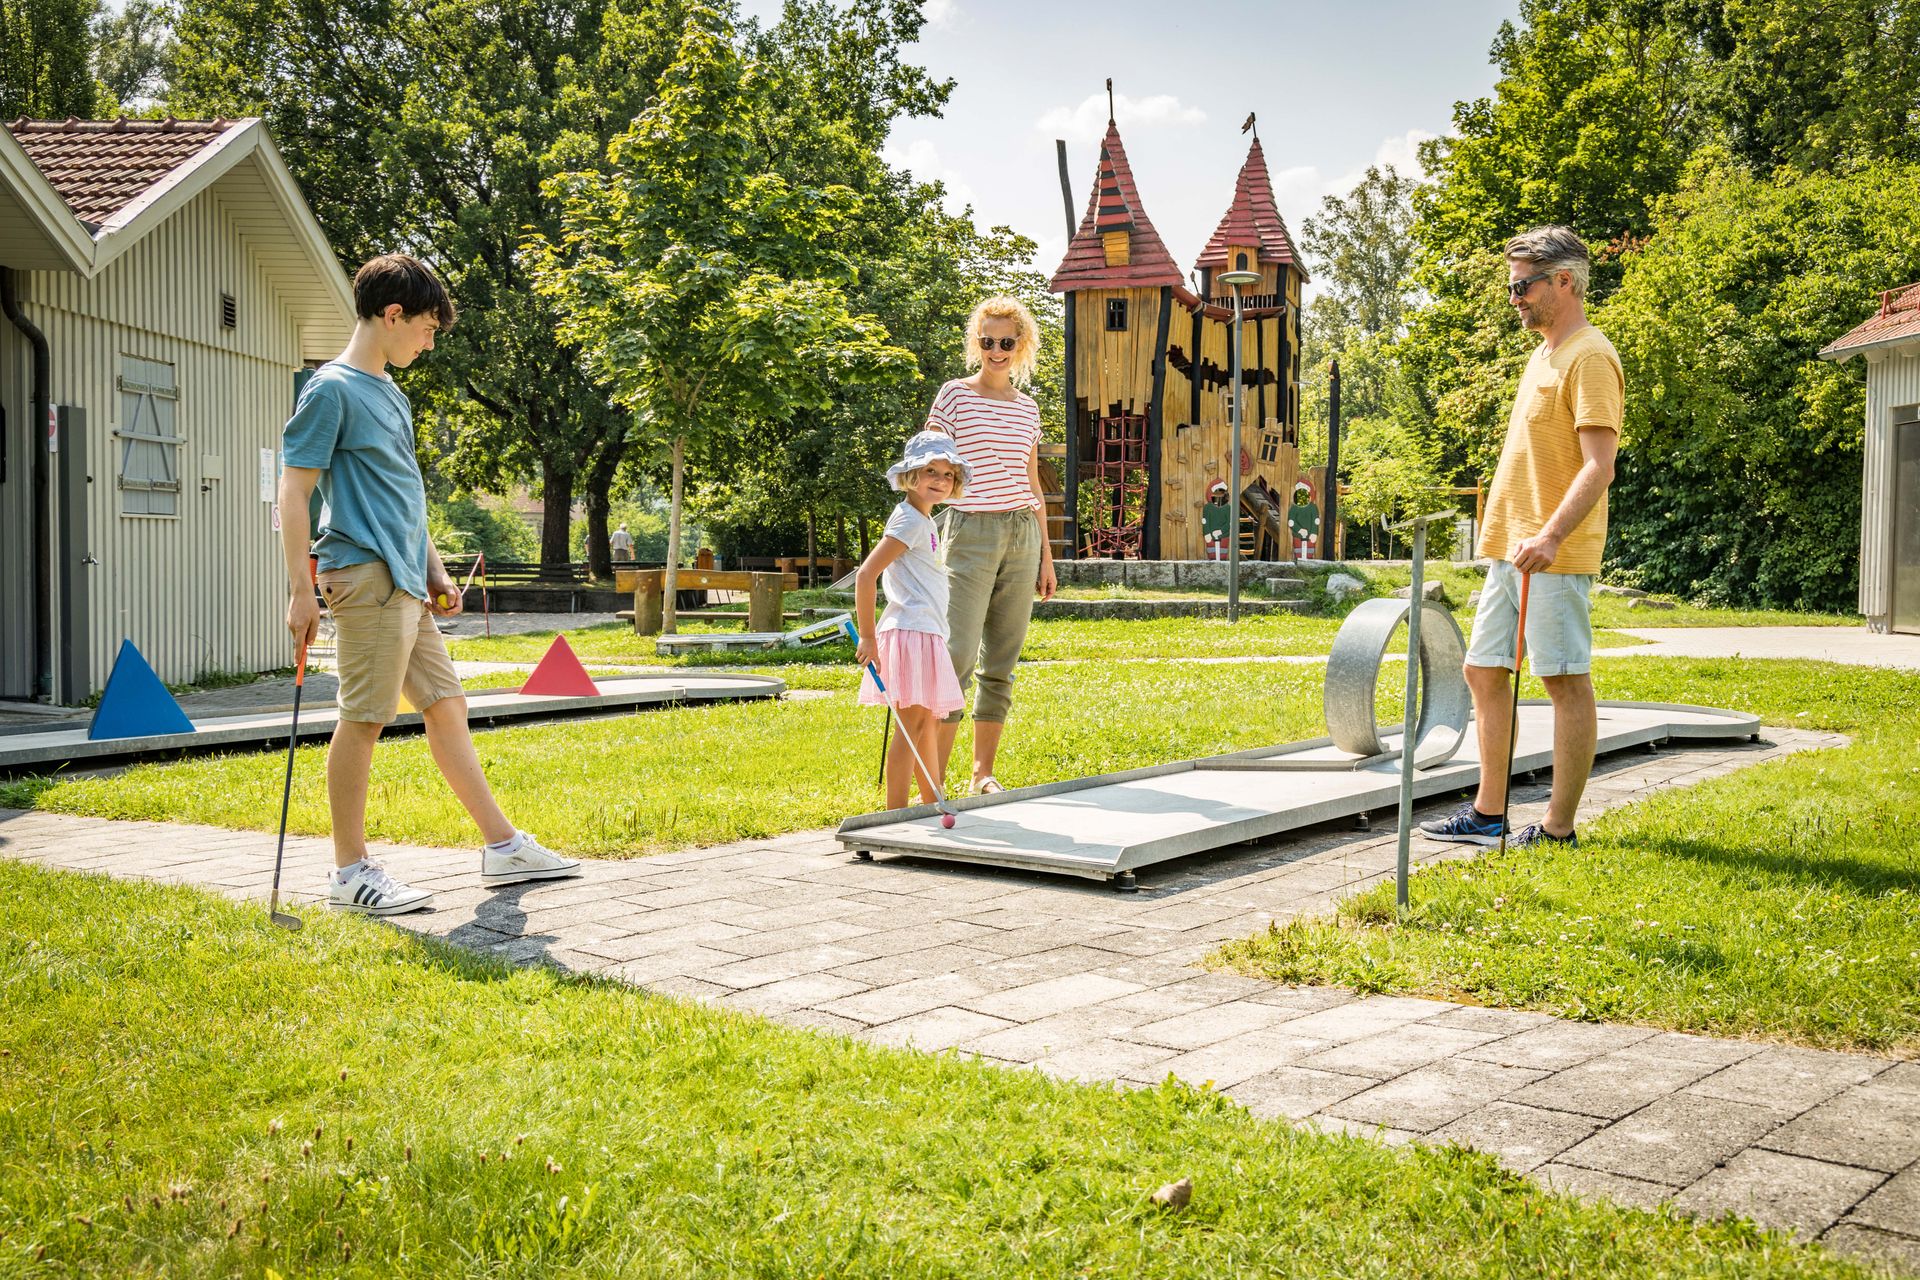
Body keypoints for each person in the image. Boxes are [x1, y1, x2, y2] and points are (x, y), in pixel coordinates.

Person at [279, 253, 580, 915]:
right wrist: (300, 590)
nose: (430, 339)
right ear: (392, 315)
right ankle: (349, 872)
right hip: (365, 575)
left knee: (446, 705)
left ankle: (503, 847)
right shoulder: (331, 391)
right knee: (363, 719)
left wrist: (435, 569)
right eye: (426, 327)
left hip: (405, 581)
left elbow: (402, 499)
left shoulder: (389, 392)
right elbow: (294, 492)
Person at [1422, 226, 1623, 850]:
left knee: (1563, 681)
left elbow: (1600, 464)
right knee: (1483, 671)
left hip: (1551, 554)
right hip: (1510, 549)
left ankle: (1558, 829)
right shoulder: (1543, 356)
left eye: (1522, 284)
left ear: (1564, 281)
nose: (1514, 297)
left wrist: (1553, 535)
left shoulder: (1590, 356)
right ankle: (1489, 813)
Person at [926, 296, 1058, 795]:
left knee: (1002, 659)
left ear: (1021, 345)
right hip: (970, 532)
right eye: (987, 341)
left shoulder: (1028, 408)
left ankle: (983, 774)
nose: (996, 351)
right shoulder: (953, 396)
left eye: (1006, 342)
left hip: (1023, 533)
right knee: (956, 654)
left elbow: (1033, 482)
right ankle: (932, 779)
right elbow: (930, 464)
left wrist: (1047, 555)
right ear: (975, 343)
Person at [853, 431, 971, 809]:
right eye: (930, 471)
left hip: (927, 633)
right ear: (910, 476)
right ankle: (895, 814)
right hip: (911, 632)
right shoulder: (907, 520)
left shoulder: (923, 520)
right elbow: (865, 575)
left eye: (948, 474)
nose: (940, 480)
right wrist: (868, 638)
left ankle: (933, 801)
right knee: (911, 727)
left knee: (928, 724)